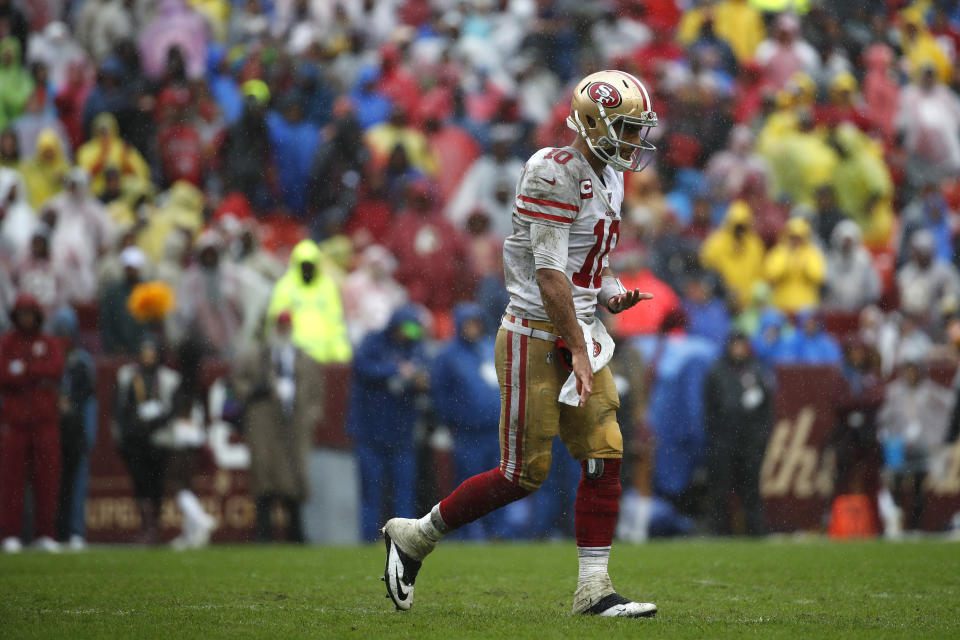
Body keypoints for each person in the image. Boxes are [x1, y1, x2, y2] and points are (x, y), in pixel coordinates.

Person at [381, 70, 658, 618]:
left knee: (605, 451)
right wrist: (578, 346)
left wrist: (610, 291)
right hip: (535, 333)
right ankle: (416, 535)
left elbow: (582, 266)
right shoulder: (552, 172)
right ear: (593, 122)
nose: (633, 141)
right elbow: (550, 275)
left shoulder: (612, 176)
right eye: (625, 128)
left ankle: (594, 590)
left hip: (579, 333)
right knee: (522, 474)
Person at [234, 311, 323, 543]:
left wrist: (310, 415)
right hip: (264, 424)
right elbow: (238, 383)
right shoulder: (257, 356)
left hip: (293, 426)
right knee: (264, 475)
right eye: (280, 327)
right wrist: (258, 391)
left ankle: (296, 534)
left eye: (287, 327)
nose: (283, 331)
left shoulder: (303, 358)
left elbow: (316, 393)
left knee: (293, 478)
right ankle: (264, 533)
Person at [348, 305, 430, 542]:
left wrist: (416, 378)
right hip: (370, 433)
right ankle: (367, 541)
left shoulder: (416, 348)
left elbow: (425, 373)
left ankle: (403, 544)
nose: (411, 335)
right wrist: (395, 370)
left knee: (403, 494)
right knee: (371, 494)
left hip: (402, 434)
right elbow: (362, 367)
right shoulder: (374, 341)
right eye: (408, 329)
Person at [430, 303, 506, 540]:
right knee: (469, 482)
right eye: (468, 323)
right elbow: (439, 392)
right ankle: (468, 532)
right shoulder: (448, 355)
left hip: (494, 430)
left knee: (498, 483)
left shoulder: (488, 347)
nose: (472, 328)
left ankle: (497, 531)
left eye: (476, 323)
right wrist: (450, 420)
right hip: (467, 432)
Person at [0, 294, 65, 553]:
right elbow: (3, 374)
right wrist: (35, 371)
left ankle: (46, 534)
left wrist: (25, 369)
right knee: (10, 481)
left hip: (44, 422)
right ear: (15, 316)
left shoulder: (48, 342)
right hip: (14, 423)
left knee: (47, 480)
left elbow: (56, 370)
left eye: (30, 312)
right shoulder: (7, 343)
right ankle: (10, 534)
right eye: (22, 313)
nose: (26, 318)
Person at [703, 332, 771, 536]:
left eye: (742, 345)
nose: (739, 350)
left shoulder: (757, 370)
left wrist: (761, 437)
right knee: (720, 489)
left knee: (751, 489)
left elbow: (767, 409)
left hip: (750, 441)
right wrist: (716, 437)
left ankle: (755, 532)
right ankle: (720, 532)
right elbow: (709, 408)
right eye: (736, 345)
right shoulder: (717, 371)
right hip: (724, 440)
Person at [114, 337, 178, 544]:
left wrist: (154, 423)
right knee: (140, 483)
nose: (148, 356)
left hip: (159, 439)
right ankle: (146, 525)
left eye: (152, 352)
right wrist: (131, 428)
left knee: (156, 484)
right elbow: (120, 408)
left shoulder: (167, 378)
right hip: (135, 439)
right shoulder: (128, 376)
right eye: (145, 352)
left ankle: (154, 527)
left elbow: (172, 410)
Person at [51, 307, 97, 550]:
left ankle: (75, 530)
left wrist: (89, 434)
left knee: (77, 484)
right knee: (52, 484)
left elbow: (90, 400)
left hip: (76, 432)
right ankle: (52, 531)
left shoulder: (83, 361)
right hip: (51, 431)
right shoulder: (49, 357)